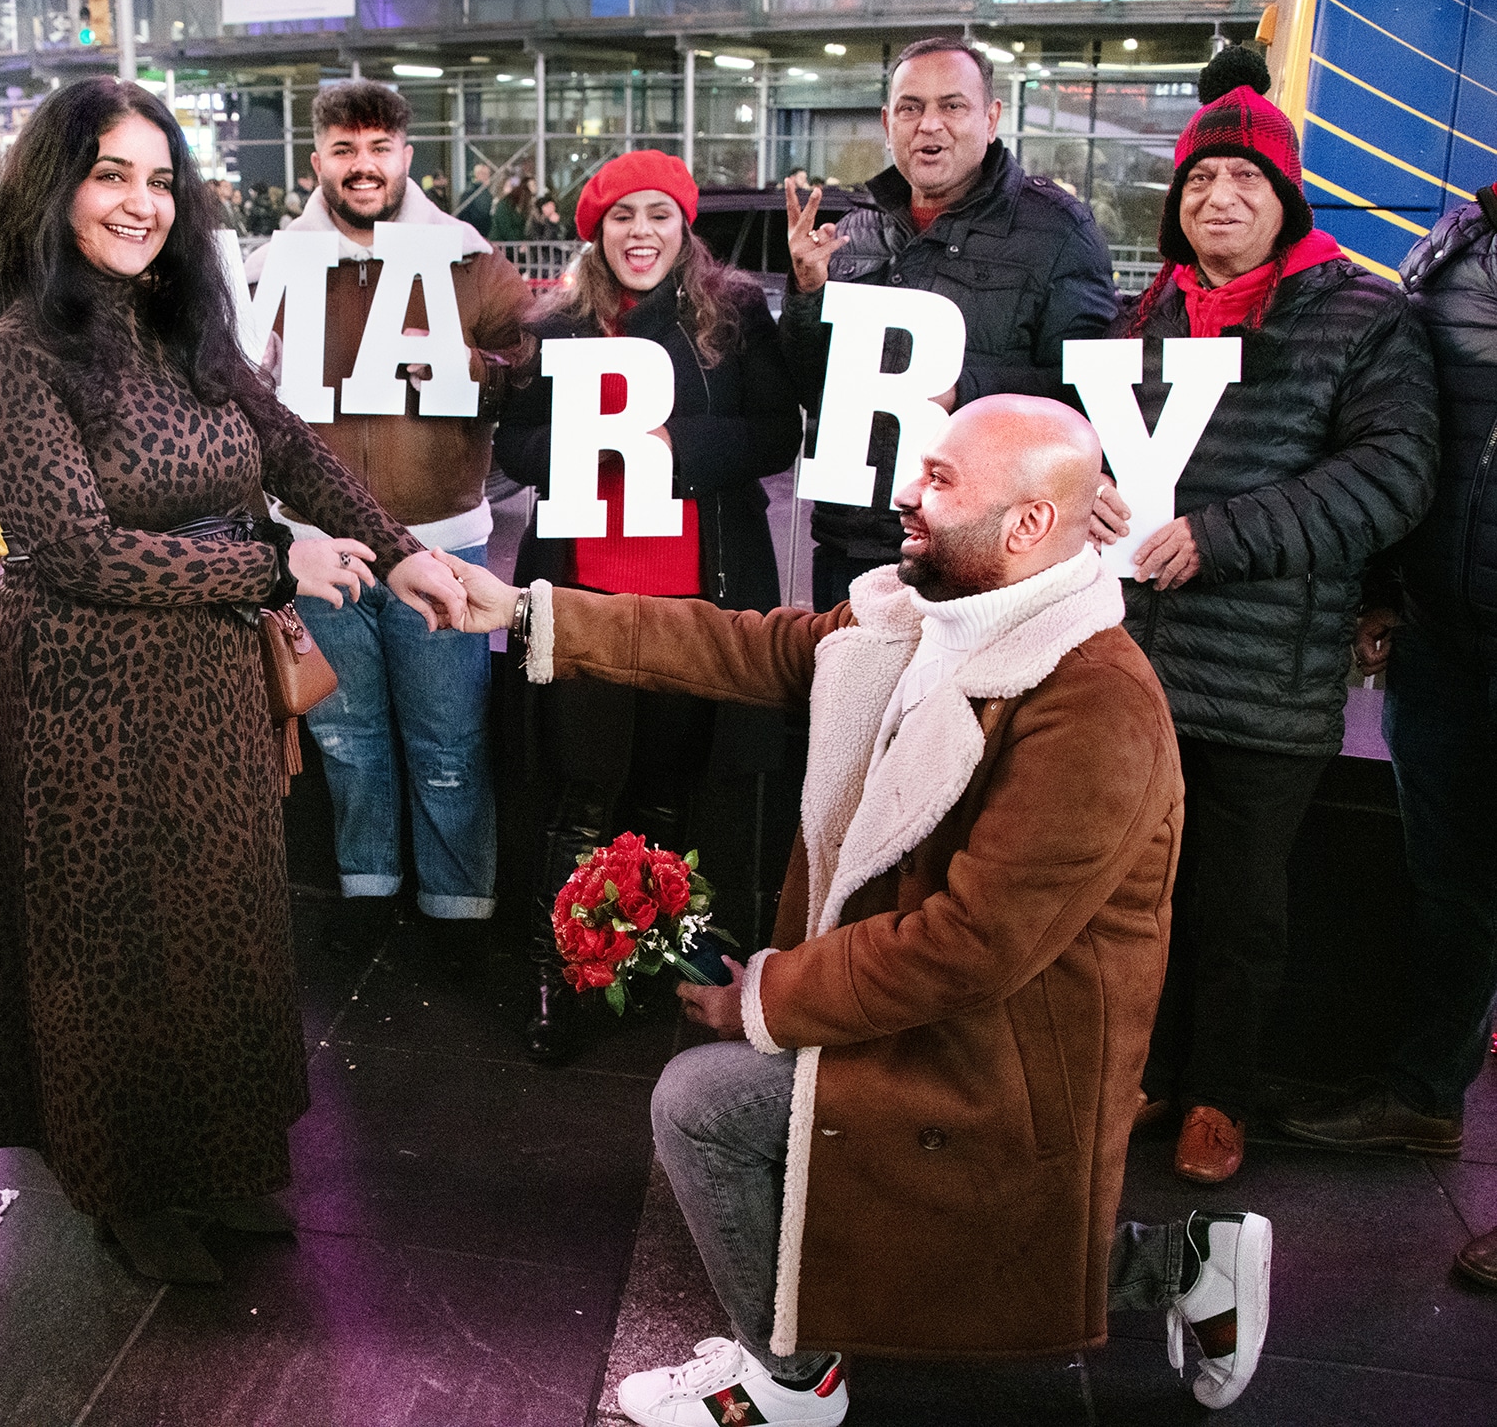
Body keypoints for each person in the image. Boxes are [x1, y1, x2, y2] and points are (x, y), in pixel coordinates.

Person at [445, 396, 1273, 1425]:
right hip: (944, 1021)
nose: (904, 494)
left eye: (940, 479)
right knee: (927, 1219)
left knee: (707, 1106)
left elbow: (970, 950)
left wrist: (769, 997)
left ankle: (793, 1383)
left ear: (1026, 527)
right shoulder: (921, 619)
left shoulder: (1094, 700)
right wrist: (526, 611)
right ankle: (1188, 1264)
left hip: (1003, 1061)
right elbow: (745, 645)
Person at [0, 77, 467, 1286]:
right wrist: (274, 559)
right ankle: (124, 1185)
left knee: (219, 933)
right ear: (52, 188)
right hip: (84, 694)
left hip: (211, 685)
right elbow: (70, 548)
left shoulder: (177, 326)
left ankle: (218, 1162)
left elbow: (286, 445)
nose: (141, 205)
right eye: (110, 176)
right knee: (113, 946)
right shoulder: (16, 353)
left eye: (160, 180)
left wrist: (398, 553)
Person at [1114, 49, 1440, 1185]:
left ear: (1285, 195)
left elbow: (1393, 476)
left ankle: (1222, 1095)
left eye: (1244, 181)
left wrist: (1218, 537)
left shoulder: (1362, 314)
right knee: (1141, 885)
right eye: (1199, 182)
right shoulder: (1145, 313)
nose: (1218, 199)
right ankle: (1149, 1075)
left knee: (1243, 903)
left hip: (1267, 674)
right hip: (1142, 663)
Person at [494, 150, 801, 1061]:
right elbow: (514, 443)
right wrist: (586, 446)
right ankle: (561, 973)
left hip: (692, 599)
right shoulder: (554, 322)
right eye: (621, 216)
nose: (641, 233)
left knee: (670, 794)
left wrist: (669, 445)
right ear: (595, 229)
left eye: (658, 215)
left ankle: (652, 958)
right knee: (582, 791)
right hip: (589, 591)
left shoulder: (736, 315)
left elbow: (777, 432)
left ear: (684, 226)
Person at [244, 80, 534, 952]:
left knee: (450, 744)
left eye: (378, 148)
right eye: (343, 148)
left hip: (441, 543)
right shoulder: (269, 270)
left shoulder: (471, 260)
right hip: (315, 547)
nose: (362, 166)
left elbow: (530, 373)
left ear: (408, 157)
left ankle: (458, 911)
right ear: (317, 161)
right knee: (344, 738)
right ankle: (367, 897)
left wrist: (463, 365)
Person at [1277, 183, 1496, 1274]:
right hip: (1447, 631)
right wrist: (1384, 589)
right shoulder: (1455, 239)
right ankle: (1424, 1095)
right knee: (1450, 881)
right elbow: (1418, 439)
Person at [780, 36, 1117, 611]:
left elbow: (1086, 387)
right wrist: (808, 295)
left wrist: (960, 390)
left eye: (952, 106)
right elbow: (813, 388)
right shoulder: (854, 232)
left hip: (981, 550)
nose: (929, 124)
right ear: (888, 123)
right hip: (855, 541)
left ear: (991, 119)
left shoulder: (1056, 229)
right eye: (911, 108)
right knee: (850, 699)